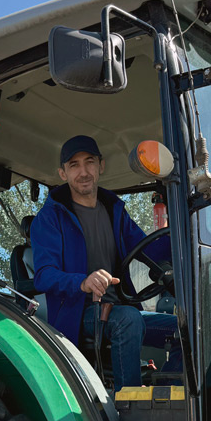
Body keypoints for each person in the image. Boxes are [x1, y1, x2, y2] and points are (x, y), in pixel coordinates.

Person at [31, 134, 182, 389]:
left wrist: (184, 230)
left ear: (101, 165)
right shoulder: (49, 218)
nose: (83, 172)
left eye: (89, 162)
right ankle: (129, 406)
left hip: (119, 308)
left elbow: (150, 251)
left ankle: (162, 396)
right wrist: (83, 282)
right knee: (128, 319)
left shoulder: (114, 211)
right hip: (78, 314)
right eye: (74, 165)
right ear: (63, 173)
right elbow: (44, 275)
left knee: (186, 330)